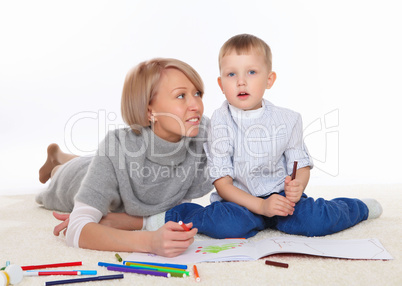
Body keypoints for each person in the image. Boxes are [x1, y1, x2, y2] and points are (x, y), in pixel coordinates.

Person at [159, 34, 383, 239]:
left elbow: (300, 164)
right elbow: (223, 184)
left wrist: (298, 186)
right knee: (227, 226)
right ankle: (172, 215)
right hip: (240, 202)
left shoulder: (288, 120)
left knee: (316, 221)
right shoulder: (219, 122)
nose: (241, 81)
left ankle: (358, 208)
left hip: (282, 199)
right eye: (231, 74)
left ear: (269, 79)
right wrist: (260, 206)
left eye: (252, 72)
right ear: (221, 84)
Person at [36, 58, 213, 257]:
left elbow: (176, 202)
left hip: (108, 163)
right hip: (76, 177)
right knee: (68, 171)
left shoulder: (202, 133)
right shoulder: (116, 147)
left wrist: (133, 222)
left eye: (197, 93)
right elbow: (76, 230)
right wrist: (150, 241)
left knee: (95, 160)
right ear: (149, 111)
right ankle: (57, 165)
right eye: (181, 95)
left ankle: (61, 156)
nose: (196, 105)